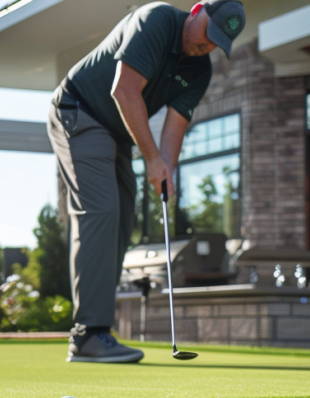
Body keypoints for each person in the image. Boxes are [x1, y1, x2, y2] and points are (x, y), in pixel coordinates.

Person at [48, 0, 245, 363]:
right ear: (197, 9)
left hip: (116, 132)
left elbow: (175, 128)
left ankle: (99, 332)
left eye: (217, 43)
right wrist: (152, 159)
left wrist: (165, 170)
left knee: (123, 218)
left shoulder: (200, 69)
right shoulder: (154, 20)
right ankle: (88, 334)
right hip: (78, 110)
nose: (208, 47)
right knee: (101, 211)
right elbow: (124, 91)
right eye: (207, 36)